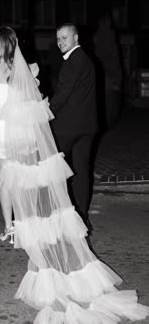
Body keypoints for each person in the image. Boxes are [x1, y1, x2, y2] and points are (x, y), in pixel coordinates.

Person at [0, 26, 149, 324]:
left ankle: (12, 226)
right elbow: (31, 100)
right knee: (23, 181)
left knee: (5, 180)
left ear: (4, 45)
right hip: (23, 132)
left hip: (2, 131)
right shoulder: (21, 66)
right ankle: (23, 223)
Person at [50, 23, 98, 232]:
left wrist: (45, 111)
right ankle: (81, 218)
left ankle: (59, 217)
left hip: (67, 128)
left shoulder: (71, 62)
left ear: (76, 38)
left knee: (53, 171)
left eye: (64, 38)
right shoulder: (87, 60)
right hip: (87, 127)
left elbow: (62, 93)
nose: (60, 42)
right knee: (81, 172)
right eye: (58, 39)